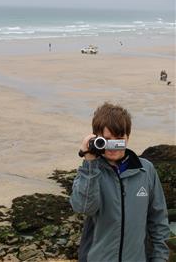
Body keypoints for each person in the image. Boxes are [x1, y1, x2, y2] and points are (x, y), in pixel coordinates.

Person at [70, 102, 170, 262]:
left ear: (128, 137)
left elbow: (158, 220)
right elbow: (84, 208)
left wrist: (159, 258)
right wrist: (89, 161)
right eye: (107, 140)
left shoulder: (146, 170)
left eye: (119, 139)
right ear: (97, 139)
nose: (113, 146)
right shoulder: (90, 173)